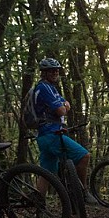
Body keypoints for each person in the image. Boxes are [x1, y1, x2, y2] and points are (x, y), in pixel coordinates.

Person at [33, 57, 97, 205]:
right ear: (44, 72)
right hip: (52, 134)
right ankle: (83, 192)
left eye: (57, 70)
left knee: (47, 173)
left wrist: (65, 106)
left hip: (43, 136)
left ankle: (38, 203)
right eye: (51, 70)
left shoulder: (50, 88)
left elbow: (66, 104)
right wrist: (64, 107)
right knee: (84, 156)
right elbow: (62, 109)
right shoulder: (44, 87)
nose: (55, 72)